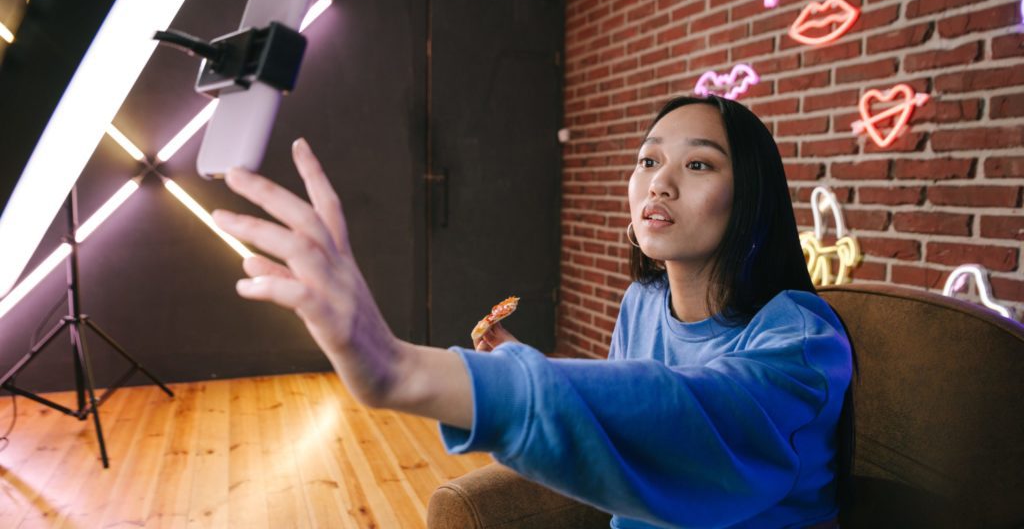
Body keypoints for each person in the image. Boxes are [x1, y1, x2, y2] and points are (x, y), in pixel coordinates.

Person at [212, 95, 852, 529]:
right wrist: (526, 363)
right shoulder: (642, 302)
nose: (659, 182)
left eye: (699, 164)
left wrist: (403, 370)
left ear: (751, 200)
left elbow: (686, 419)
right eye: (650, 159)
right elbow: (618, 430)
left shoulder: (801, 335)